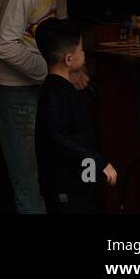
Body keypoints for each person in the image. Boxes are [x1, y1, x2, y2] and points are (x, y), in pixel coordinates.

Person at [0, 0, 96, 213]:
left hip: (42, 85)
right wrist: (55, 72)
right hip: (13, 90)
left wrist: (75, 67)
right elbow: (4, 47)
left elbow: (61, 34)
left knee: (50, 172)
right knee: (29, 183)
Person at [34, 19, 116, 214]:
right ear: (69, 59)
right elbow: (58, 136)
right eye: (81, 49)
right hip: (64, 189)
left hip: (77, 185)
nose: (84, 53)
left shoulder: (64, 89)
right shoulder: (53, 93)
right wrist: (98, 160)